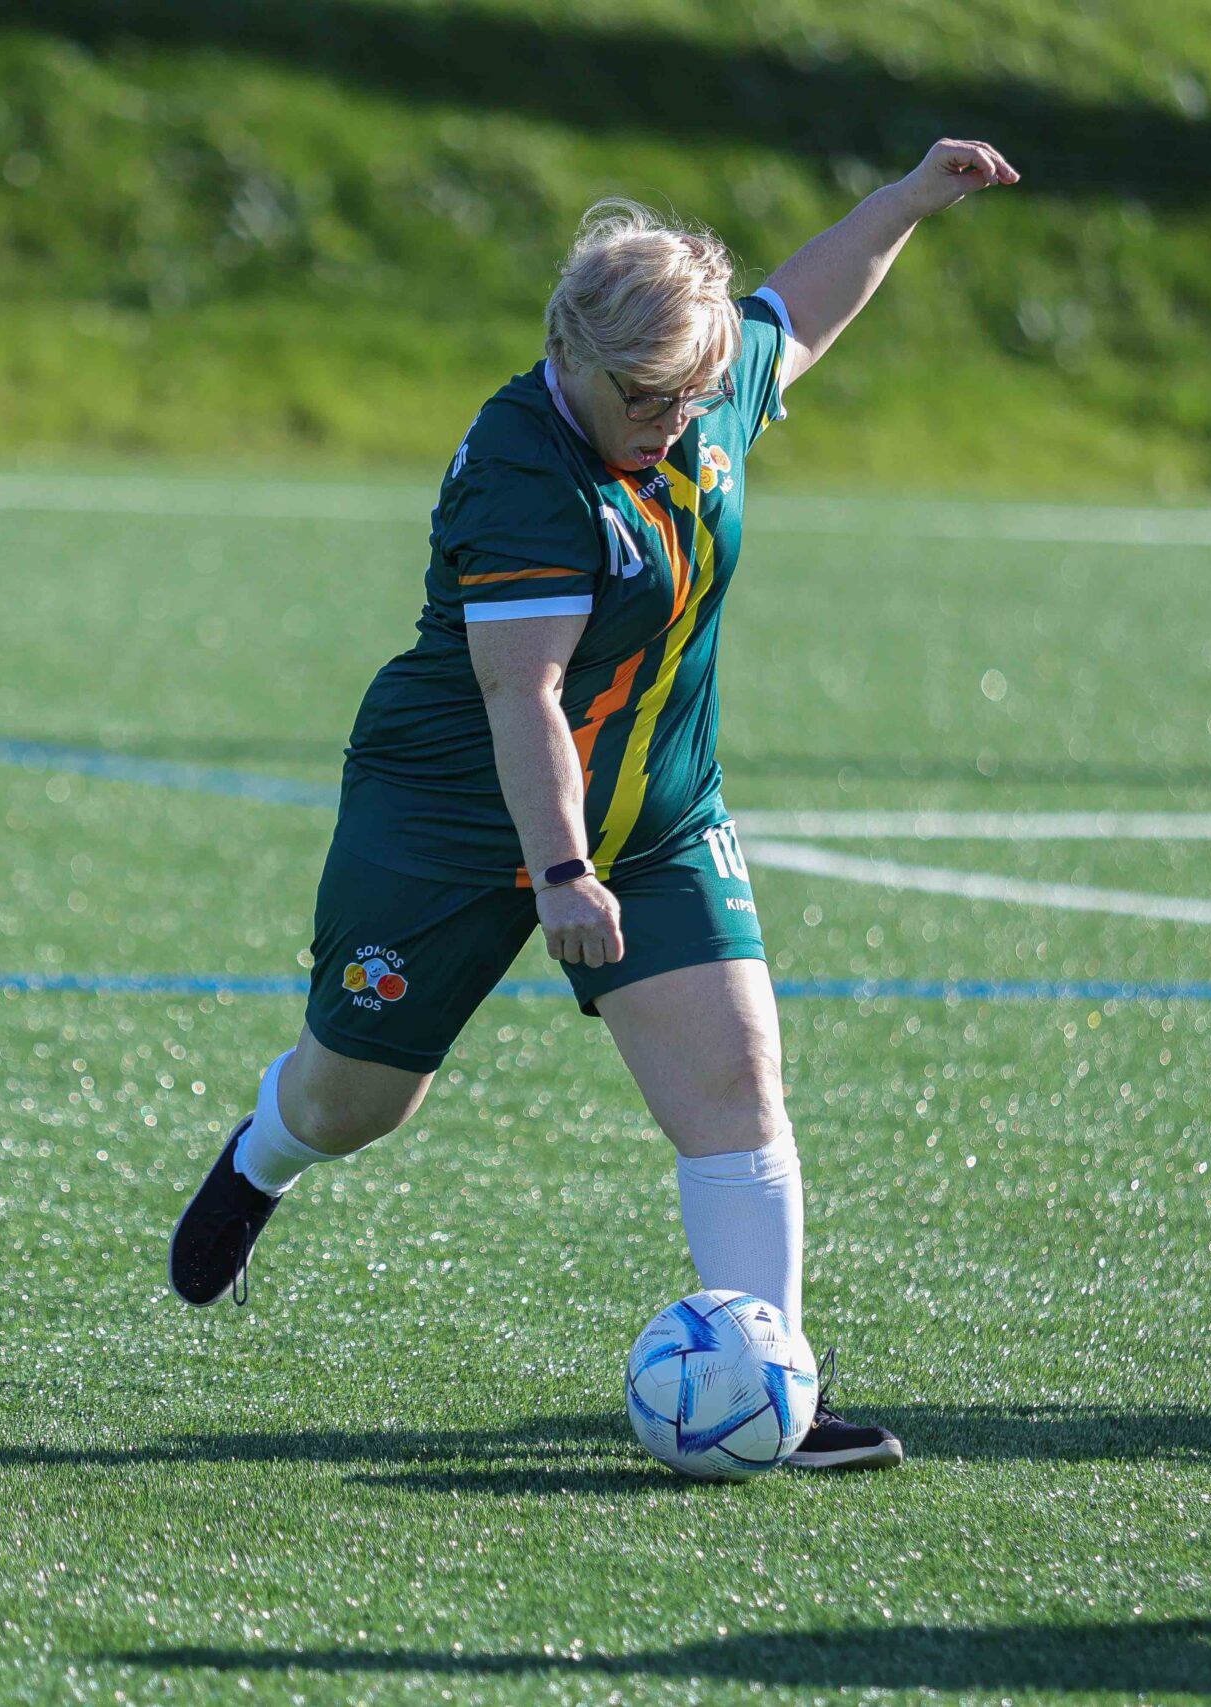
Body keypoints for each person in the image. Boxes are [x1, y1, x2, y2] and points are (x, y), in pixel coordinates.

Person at [169, 139, 1019, 1470]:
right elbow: (527, 695)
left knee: (737, 1082)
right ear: (569, 354)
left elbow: (798, 310)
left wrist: (910, 200)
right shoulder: (524, 473)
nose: (674, 421)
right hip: (457, 811)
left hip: (658, 812)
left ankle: (773, 1391)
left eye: (695, 394)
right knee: (360, 1103)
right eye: (646, 397)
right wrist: (562, 872)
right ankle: (262, 1155)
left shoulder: (695, 384)